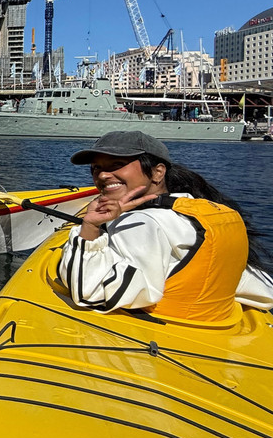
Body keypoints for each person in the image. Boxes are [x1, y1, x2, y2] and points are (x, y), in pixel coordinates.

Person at [58, 130, 273, 321]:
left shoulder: (140, 223)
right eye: (96, 168)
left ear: (158, 172)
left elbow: (90, 292)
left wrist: (90, 227)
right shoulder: (201, 208)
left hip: (165, 336)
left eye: (117, 165)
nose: (102, 175)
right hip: (218, 326)